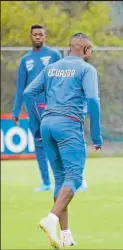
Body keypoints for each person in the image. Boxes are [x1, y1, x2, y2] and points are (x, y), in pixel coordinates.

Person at [23, 33, 102, 248]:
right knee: (74, 178)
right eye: (91, 49)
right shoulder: (87, 69)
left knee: (60, 180)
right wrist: (96, 135)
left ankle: (65, 235)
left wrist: (36, 125)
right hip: (67, 125)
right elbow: (93, 101)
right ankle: (51, 219)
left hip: (48, 124)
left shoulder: (53, 67)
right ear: (85, 50)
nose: (91, 54)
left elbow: (28, 93)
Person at [12, 24, 62, 192]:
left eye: (41, 34)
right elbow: (21, 87)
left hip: (54, 107)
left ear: (45, 36)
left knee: (60, 142)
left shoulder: (55, 55)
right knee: (39, 145)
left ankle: (73, 179)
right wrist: (16, 111)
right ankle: (46, 183)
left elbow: (63, 80)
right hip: (34, 109)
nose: (38, 37)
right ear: (31, 36)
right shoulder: (25, 60)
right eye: (35, 34)